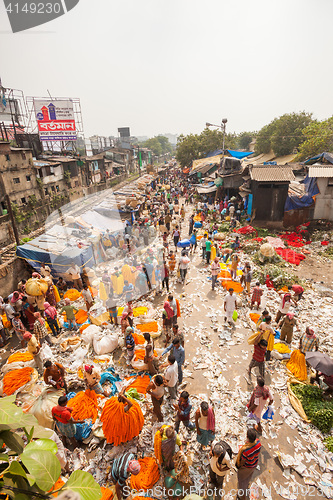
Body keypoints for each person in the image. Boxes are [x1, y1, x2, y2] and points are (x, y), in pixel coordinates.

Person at [236, 428, 261, 500]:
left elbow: (243, 462)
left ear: (248, 438)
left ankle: (242, 497)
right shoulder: (258, 443)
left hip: (247, 467)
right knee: (248, 477)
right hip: (254, 464)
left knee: (241, 480)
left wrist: (240, 466)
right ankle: (246, 485)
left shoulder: (246, 450)